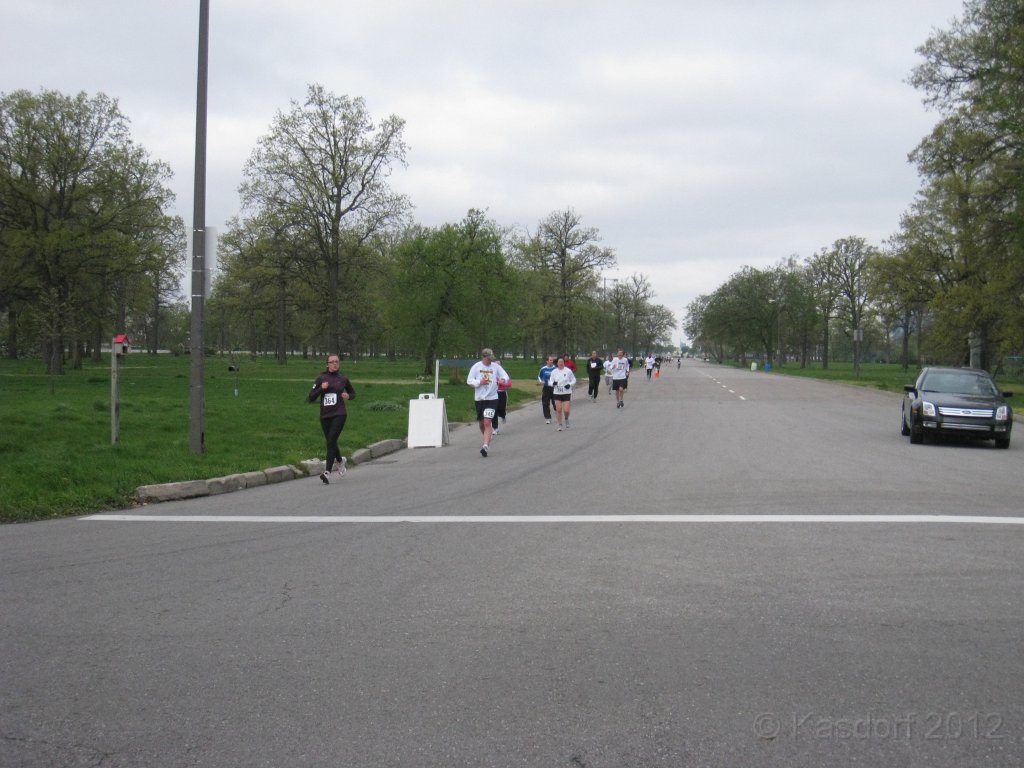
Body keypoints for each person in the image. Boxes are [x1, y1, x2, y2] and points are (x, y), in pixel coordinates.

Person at [308, 353, 356, 484]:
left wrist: (348, 396)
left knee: (330, 441)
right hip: (325, 415)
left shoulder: (343, 379)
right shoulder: (321, 378)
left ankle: (327, 472)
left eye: (337, 361)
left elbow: (353, 393)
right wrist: (321, 390)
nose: (335, 364)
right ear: (327, 364)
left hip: (339, 414)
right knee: (332, 441)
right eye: (332, 362)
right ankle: (340, 462)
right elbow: (311, 397)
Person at [466, 348, 509, 457]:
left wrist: (502, 380)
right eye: (489, 358)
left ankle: (485, 446)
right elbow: (469, 380)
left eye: (492, 358)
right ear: (484, 357)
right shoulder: (476, 367)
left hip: (492, 398)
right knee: (481, 423)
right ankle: (487, 436)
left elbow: (505, 376)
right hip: (480, 399)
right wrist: (479, 382)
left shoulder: (496, 367)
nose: (491, 360)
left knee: (487, 422)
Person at [548, 355, 577, 430]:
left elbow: (574, 380)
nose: (561, 363)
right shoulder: (554, 372)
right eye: (559, 362)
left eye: (562, 362)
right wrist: (552, 384)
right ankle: (560, 425)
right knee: (558, 409)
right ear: (557, 363)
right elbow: (550, 381)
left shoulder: (568, 371)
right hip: (557, 392)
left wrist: (569, 384)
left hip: (566, 392)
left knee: (566, 410)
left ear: (564, 363)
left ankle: (566, 418)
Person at [493, 361, 512, 434]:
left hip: (502, 393)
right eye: (496, 364)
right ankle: (495, 428)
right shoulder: (492, 374)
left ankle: (503, 415)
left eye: (499, 365)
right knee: (494, 410)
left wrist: (502, 383)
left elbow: (509, 384)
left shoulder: (504, 374)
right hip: (493, 394)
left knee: (501, 407)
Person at [537, 355, 556, 424]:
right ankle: (548, 418)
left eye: (552, 360)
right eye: (550, 360)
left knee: (555, 403)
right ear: (547, 361)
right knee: (545, 403)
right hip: (546, 387)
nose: (551, 361)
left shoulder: (555, 368)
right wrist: (541, 381)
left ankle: (558, 413)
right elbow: (539, 376)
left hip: (554, 388)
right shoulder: (543, 369)